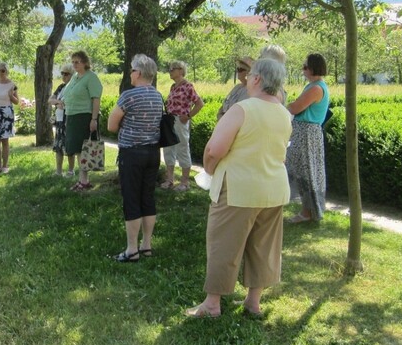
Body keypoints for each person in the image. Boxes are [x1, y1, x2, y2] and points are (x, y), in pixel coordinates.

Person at [185, 58, 292, 318]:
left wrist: (209, 168)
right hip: (274, 189)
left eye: (249, 74)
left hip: (238, 188)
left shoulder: (242, 109)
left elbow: (215, 149)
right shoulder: (284, 113)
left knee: (223, 244)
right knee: (264, 246)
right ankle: (253, 302)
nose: (245, 78)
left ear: (256, 79)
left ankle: (212, 304)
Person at [107, 54, 164, 262]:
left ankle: (131, 250)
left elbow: (111, 126)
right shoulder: (157, 96)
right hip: (153, 153)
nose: (130, 73)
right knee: (147, 198)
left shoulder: (128, 96)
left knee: (131, 199)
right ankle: (146, 245)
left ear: (138, 73)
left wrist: (128, 127)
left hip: (132, 153)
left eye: (131, 70)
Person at [286, 53, 330, 223]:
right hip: (305, 133)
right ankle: (308, 210)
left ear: (313, 68)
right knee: (302, 170)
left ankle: (308, 211)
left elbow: (296, 107)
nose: (303, 70)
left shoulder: (316, 88)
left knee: (306, 171)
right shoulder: (314, 86)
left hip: (306, 134)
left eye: (305, 67)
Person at [62, 51, 103, 191]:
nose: (74, 64)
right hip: (72, 115)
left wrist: (94, 119)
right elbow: (68, 93)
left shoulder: (91, 77)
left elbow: (96, 99)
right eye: (73, 62)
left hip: (84, 116)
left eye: (77, 62)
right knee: (76, 149)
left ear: (85, 62)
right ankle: (81, 180)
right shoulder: (75, 77)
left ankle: (84, 181)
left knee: (83, 148)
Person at [161, 60, 204, 191]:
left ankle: (185, 182)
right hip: (169, 120)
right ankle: (170, 180)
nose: (170, 71)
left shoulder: (188, 86)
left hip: (180, 121)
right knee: (168, 149)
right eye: (170, 69)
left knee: (182, 149)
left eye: (173, 69)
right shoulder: (173, 87)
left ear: (181, 70)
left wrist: (188, 116)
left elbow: (199, 103)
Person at [48, 64, 76, 176]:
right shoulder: (61, 87)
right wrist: (58, 102)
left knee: (69, 145)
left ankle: (71, 170)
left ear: (72, 75)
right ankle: (58, 171)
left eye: (66, 74)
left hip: (69, 120)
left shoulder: (74, 87)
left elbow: (71, 102)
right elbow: (50, 99)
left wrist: (60, 103)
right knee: (59, 145)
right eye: (62, 73)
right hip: (59, 121)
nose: (63, 76)